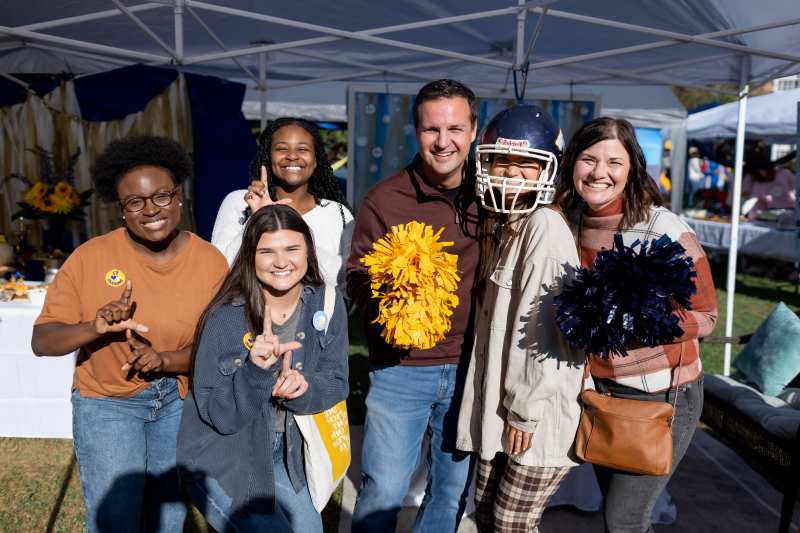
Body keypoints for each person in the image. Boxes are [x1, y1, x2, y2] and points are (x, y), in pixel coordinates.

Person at [31, 135, 228, 533]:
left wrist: (166, 361)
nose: (150, 210)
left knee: (167, 518)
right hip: (107, 405)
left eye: (161, 196)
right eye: (135, 202)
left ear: (179, 198)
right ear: (121, 210)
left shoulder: (209, 261)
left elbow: (219, 347)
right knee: (116, 519)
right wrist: (94, 328)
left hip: (177, 399)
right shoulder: (90, 258)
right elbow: (42, 341)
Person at [554, 117, 718, 533]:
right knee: (616, 509)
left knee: (624, 519)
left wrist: (641, 315)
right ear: (572, 163)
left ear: (632, 169)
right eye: (589, 159)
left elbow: (707, 317)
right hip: (598, 390)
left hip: (660, 393)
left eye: (614, 161)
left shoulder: (663, 228)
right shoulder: (567, 224)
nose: (599, 172)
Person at [347, 79, 481, 532]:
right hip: (399, 369)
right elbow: (355, 277)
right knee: (384, 490)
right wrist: (387, 289)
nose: (444, 142)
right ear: (415, 132)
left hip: (469, 367)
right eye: (431, 130)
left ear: (474, 130)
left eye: (455, 128)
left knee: (450, 493)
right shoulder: (385, 199)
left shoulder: (494, 198)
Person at [177, 204, 349, 533]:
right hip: (224, 456)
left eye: (291, 249)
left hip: (289, 453)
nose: (281, 262)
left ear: (308, 250)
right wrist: (255, 371)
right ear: (250, 256)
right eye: (267, 251)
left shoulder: (325, 303)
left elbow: (337, 381)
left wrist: (304, 388)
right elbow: (220, 417)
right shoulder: (224, 318)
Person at [456, 105, 584, 532]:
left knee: (511, 524)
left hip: (533, 414)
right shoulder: (509, 224)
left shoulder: (544, 227)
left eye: (525, 164)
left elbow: (544, 333)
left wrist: (524, 413)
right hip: (506, 409)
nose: (511, 174)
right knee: (489, 515)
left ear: (548, 170)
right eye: (500, 162)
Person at [211, 117, 353, 287]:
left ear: (316, 160)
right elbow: (219, 269)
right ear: (268, 157)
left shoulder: (338, 213)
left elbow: (347, 281)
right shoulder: (240, 202)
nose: (292, 156)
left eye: (302, 149)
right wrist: (258, 219)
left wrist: (293, 232)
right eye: (281, 149)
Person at [741, 153, 796, 219]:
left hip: (791, 210)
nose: (762, 172)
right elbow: (754, 200)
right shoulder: (759, 184)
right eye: (758, 171)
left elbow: (796, 187)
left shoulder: (784, 173)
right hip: (773, 212)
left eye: (763, 169)